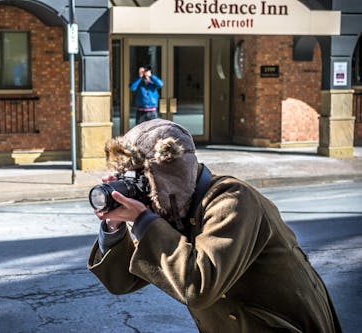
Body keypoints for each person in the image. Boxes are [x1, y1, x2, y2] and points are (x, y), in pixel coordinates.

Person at [87, 119, 341, 332]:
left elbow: (199, 286)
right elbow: (122, 282)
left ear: (166, 175)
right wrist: (114, 227)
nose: (134, 186)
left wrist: (144, 221)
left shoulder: (232, 200)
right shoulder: (174, 210)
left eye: (138, 176)